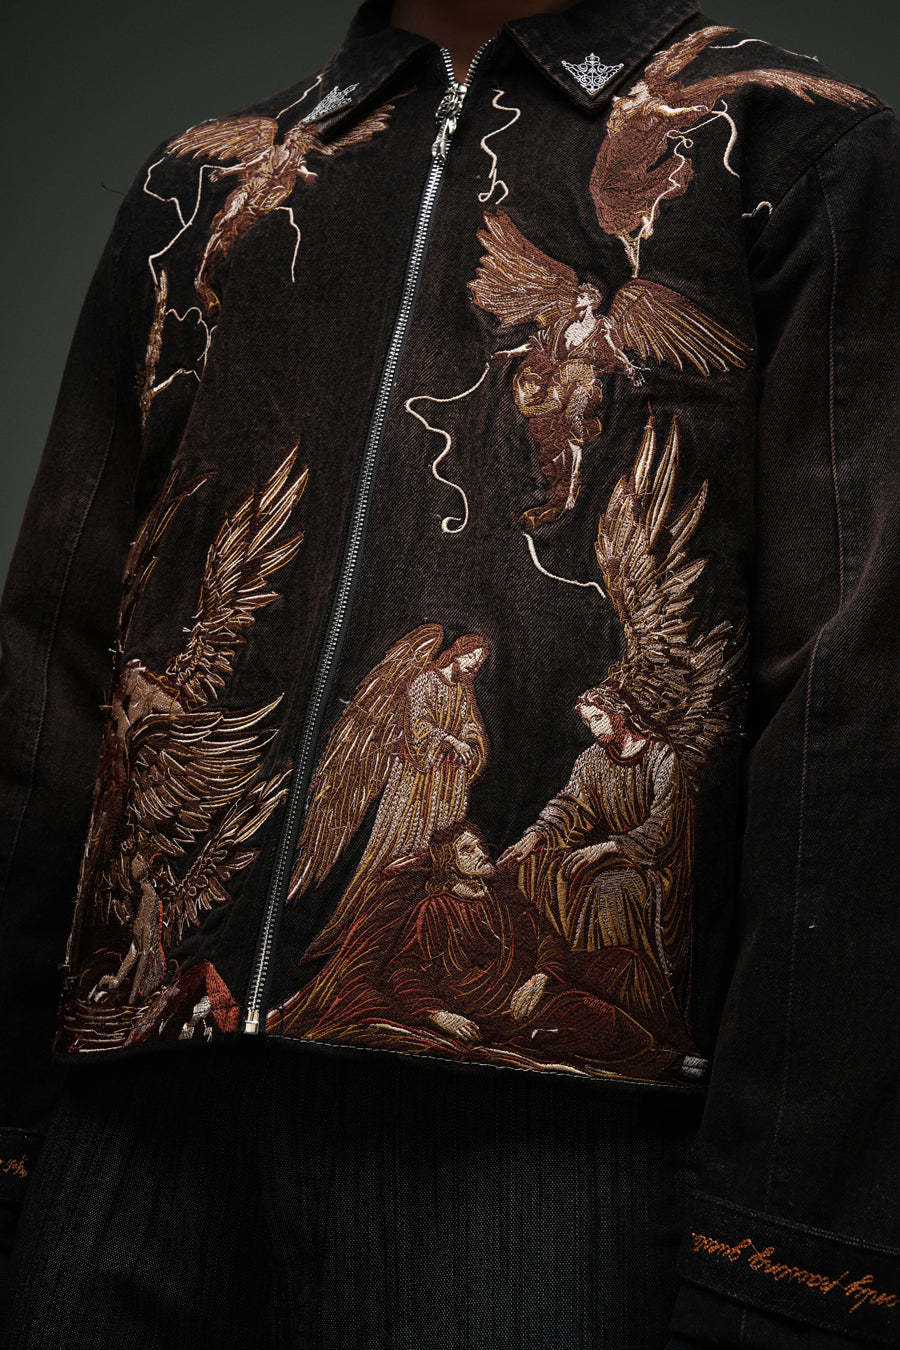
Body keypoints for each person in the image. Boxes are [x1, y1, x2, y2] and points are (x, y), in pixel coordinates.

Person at [1, 0, 898, 1346]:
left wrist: (784, 1243)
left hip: (542, 1145)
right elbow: (56, 660)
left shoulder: (784, 150)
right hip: (133, 1113)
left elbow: (854, 710)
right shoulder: (201, 186)